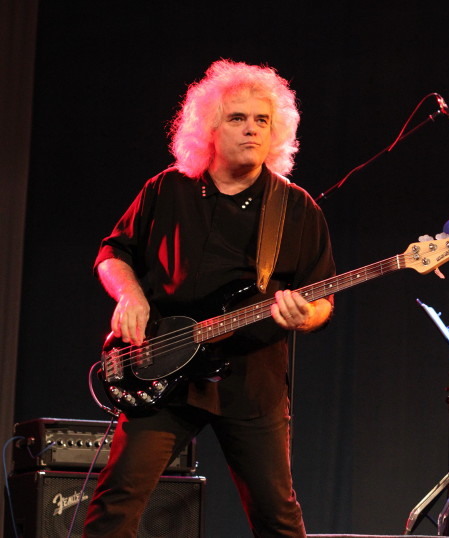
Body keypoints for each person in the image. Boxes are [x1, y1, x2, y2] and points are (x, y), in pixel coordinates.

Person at [84, 59, 335, 537]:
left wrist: (303, 316)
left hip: (251, 382)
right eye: (237, 118)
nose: (252, 129)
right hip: (161, 368)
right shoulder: (167, 188)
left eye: (262, 120)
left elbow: (322, 299)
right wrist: (130, 295)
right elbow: (112, 252)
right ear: (209, 129)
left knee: (278, 520)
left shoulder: (297, 207)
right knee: (115, 506)